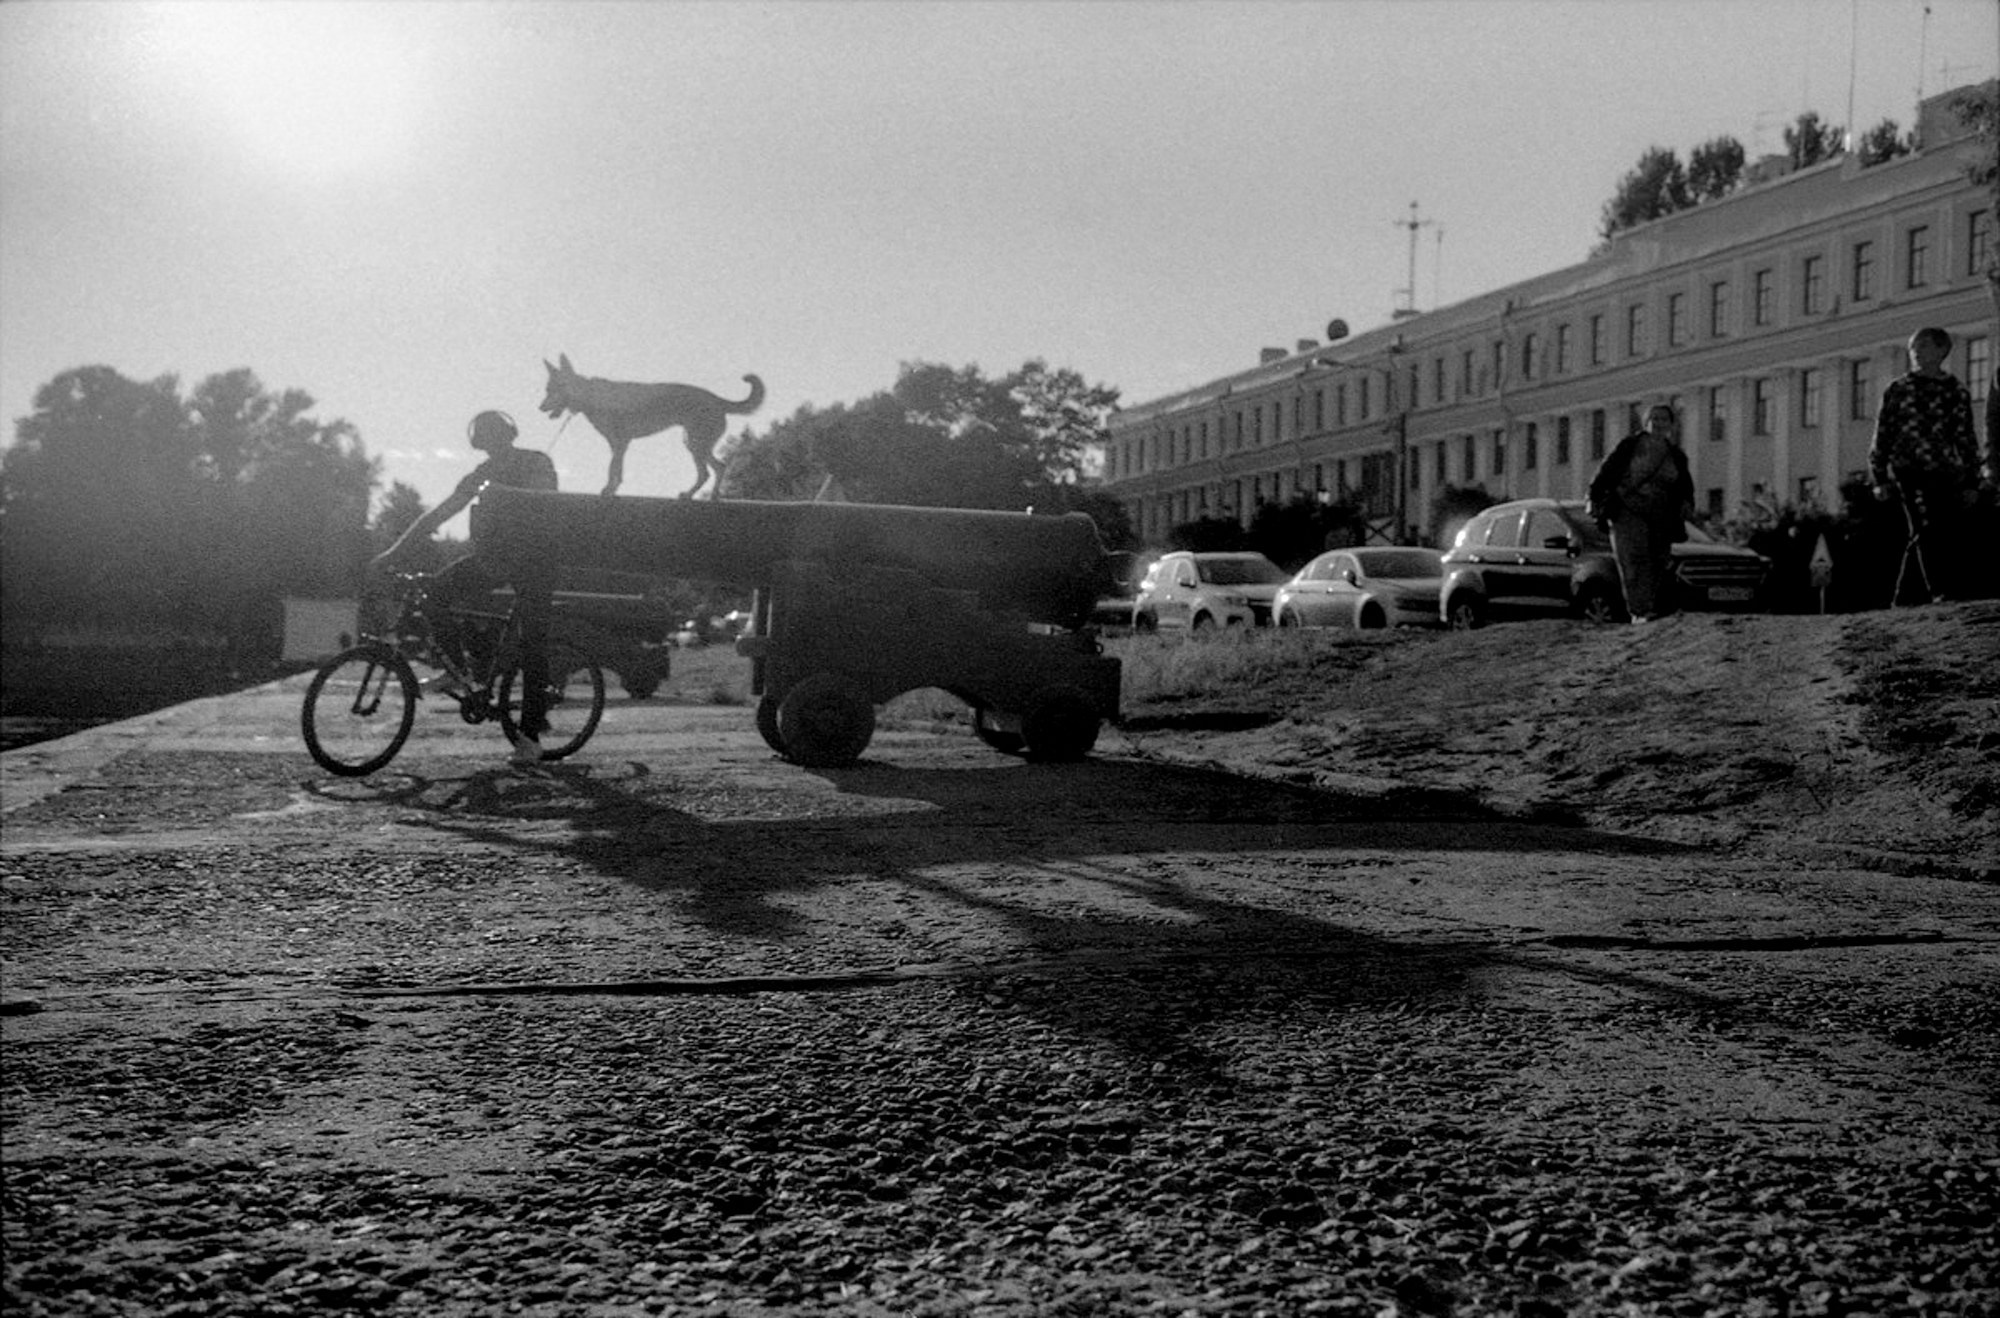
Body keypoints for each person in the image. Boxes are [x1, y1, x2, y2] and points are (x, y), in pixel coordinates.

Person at [372, 410, 559, 764]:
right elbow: (441, 513)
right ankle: (459, 673)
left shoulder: (536, 461)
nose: (492, 441)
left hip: (536, 562)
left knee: (532, 645)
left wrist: (505, 491)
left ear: (509, 434)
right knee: (436, 594)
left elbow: (546, 494)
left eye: (496, 433)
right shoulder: (481, 474)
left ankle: (530, 737)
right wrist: (395, 551)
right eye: (486, 436)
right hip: (496, 558)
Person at [1868, 327, 1980, 603]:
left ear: (1942, 350)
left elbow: (1966, 437)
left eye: (1924, 346)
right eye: (1913, 347)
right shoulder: (1898, 389)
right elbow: (1883, 433)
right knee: (1924, 524)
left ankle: (1905, 597)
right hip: (1909, 470)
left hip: (1944, 470)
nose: (1916, 352)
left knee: (1934, 529)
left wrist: (1971, 481)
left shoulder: (1954, 391)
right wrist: (1879, 477)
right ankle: (1940, 590)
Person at [1587, 403, 1695, 624]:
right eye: (1654, 418)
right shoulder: (1630, 446)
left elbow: (1684, 485)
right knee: (1634, 560)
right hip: (1627, 511)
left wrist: (1686, 504)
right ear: (1646, 423)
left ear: (1672, 425)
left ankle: (1649, 607)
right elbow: (1606, 472)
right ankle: (1640, 611)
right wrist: (1594, 496)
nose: (1658, 423)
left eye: (1664, 419)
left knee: (1657, 561)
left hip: (1661, 516)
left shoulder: (1676, 455)